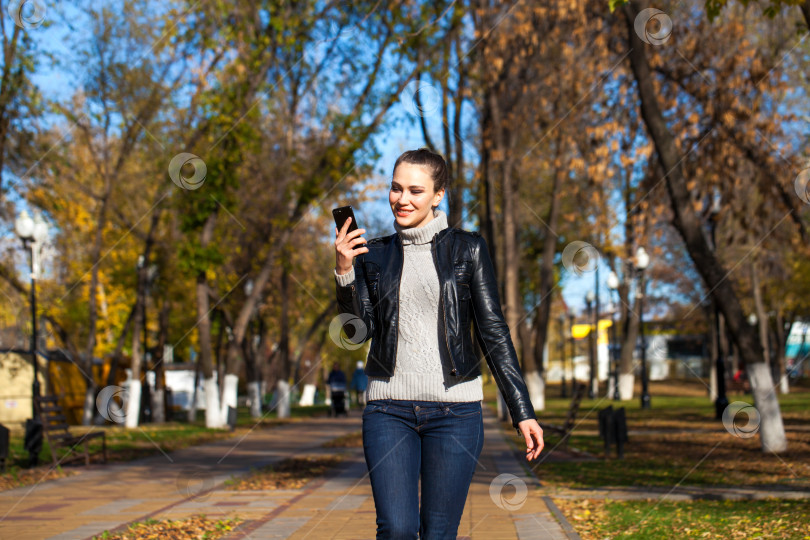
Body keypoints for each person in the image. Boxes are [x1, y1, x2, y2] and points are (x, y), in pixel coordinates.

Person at [333, 148, 543, 538]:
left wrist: (522, 409)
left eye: (415, 190)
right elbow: (355, 333)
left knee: (439, 532)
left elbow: (493, 331)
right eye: (396, 189)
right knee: (396, 529)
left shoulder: (468, 248)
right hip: (388, 409)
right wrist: (345, 272)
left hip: (456, 413)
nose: (403, 199)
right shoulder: (373, 254)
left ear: (438, 194)